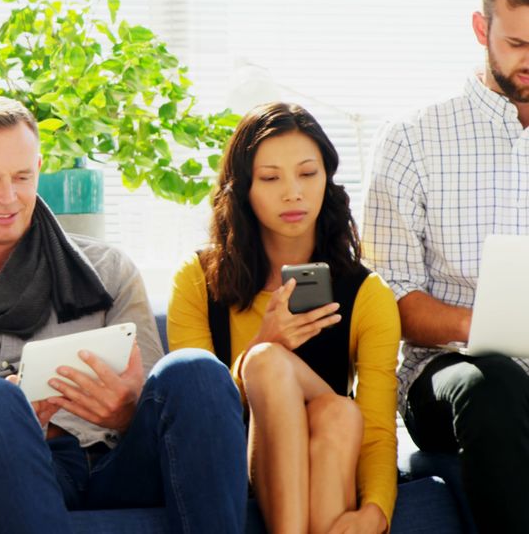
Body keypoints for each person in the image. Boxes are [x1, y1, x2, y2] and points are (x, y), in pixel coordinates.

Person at [0, 95, 247, 533]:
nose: (8, 197)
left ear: (39, 168)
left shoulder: (109, 270)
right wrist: (13, 426)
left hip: (118, 461)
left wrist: (124, 413)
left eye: (22, 176)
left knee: (196, 369)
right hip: (10, 468)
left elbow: (159, 408)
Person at [168, 102, 399, 533]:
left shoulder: (368, 296)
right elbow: (194, 412)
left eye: (308, 174)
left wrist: (376, 513)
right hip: (231, 466)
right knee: (267, 362)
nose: (293, 192)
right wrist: (263, 343)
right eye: (271, 178)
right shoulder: (197, 281)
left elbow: (379, 428)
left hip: (327, 464)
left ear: (327, 181)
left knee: (341, 415)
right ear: (243, 190)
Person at [362, 0, 529, 530]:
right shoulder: (411, 138)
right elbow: (394, 300)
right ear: (481, 29)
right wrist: (493, 328)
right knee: (494, 381)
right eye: (517, 44)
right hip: (447, 375)